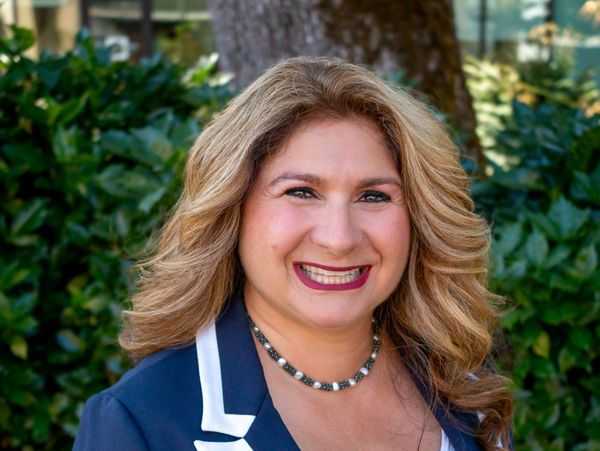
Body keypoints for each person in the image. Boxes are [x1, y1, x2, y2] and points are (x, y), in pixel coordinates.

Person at [73, 57, 513, 451]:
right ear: (233, 209)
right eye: (301, 191)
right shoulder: (141, 423)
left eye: (374, 196)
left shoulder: (463, 386)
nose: (339, 238)